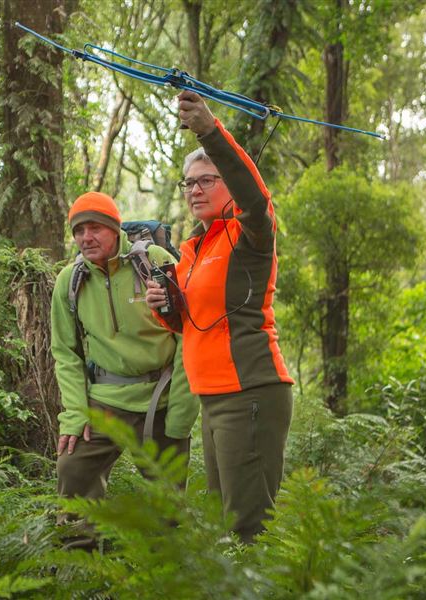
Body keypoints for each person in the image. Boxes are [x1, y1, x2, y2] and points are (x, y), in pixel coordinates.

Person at [146, 90, 294, 543]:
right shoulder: (193, 250)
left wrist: (210, 132)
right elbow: (196, 325)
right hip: (212, 398)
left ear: (228, 181)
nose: (193, 190)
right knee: (224, 525)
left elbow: (256, 198)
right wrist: (167, 309)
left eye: (205, 180)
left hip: (249, 390)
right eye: (187, 183)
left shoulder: (250, 234)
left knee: (249, 529)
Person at [51, 191, 198, 548]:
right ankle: (80, 566)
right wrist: (74, 414)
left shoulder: (154, 261)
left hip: (159, 398)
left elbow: (189, 333)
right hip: (104, 401)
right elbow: (66, 353)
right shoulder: (70, 282)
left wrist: (181, 411)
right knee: (73, 470)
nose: (87, 237)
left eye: (96, 227)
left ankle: (162, 572)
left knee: (166, 501)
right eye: (79, 230)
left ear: (116, 230)